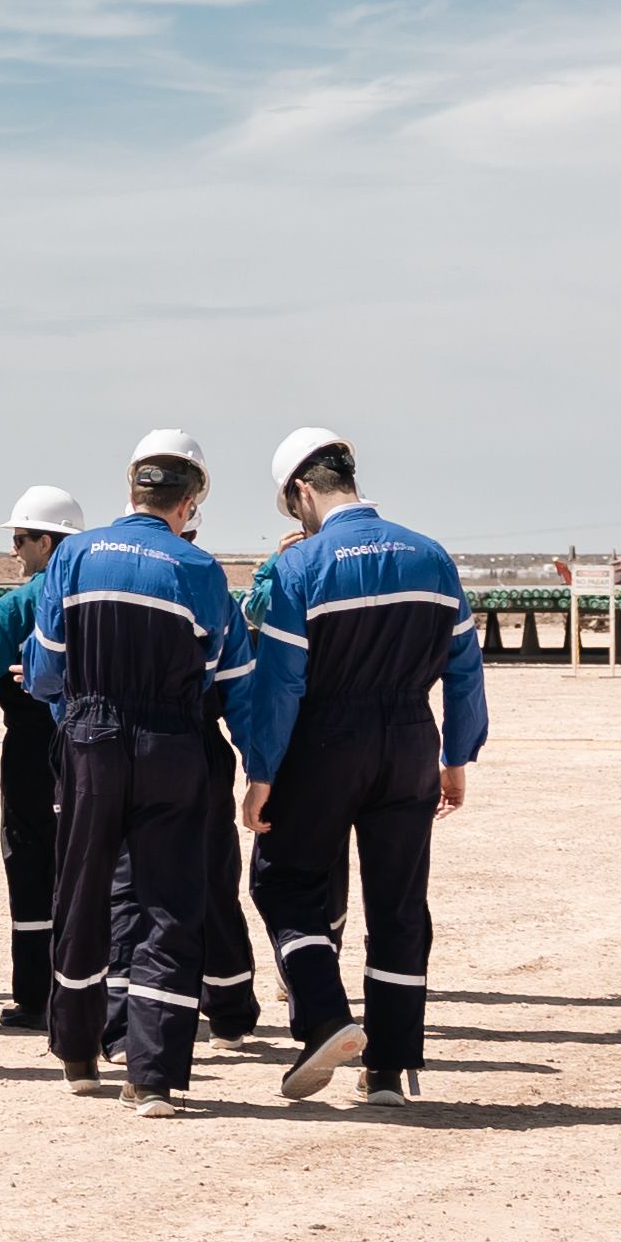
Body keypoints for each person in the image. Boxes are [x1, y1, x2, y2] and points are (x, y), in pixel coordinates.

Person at [231, 427, 483, 1103]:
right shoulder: (432, 557)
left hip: (323, 743)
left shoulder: (299, 567)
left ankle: (325, 1018)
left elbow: (281, 682)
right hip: (409, 742)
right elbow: (464, 666)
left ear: (302, 491)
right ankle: (391, 1069)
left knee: (283, 885)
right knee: (399, 906)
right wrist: (456, 756)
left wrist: (260, 772)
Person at [25, 429, 258, 1115]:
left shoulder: (73, 556)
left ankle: (76, 1052)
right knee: (168, 904)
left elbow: (43, 669)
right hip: (172, 743)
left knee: (82, 890)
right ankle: (151, 1075)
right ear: (193, 500)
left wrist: (79, 715)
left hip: (90, 737)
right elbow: (229, 676)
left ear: (130, 486)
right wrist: (260, 765)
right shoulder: (199, 571)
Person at [0, 485, 85, 1025]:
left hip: (29, 747)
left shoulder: (17, 604)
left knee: (28, 862)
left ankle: (35, 993)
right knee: (84, 864)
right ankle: (89, 987)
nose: (15, 550)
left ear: (46, 540)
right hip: (89, 745)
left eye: (21, 539)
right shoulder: (94, 589)